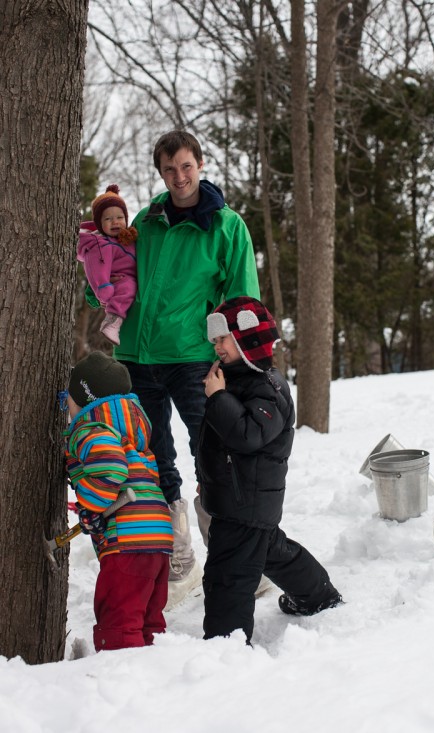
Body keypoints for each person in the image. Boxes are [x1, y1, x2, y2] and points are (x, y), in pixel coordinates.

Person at [109, 130, 260, 608]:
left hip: (194, 356)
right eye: (169, 169)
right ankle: (179, 558)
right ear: (160, 172)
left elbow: (243, 300)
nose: (179, 177)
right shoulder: (145, 221)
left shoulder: (226, 225)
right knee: (152, 458)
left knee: (212, 452)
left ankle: (233, 556)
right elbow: (119, 273)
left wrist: (235, 359)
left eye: (186, 166)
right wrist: (99, 283)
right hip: (137, 355)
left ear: (200, 164)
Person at [197, 297, 343, 643]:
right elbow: (218, 444)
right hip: (239, 498)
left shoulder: (266, 388)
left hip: (244, 504)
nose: (216, 346)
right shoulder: (237, 380)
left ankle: (225, 643)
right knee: (270, 552)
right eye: (215, 340)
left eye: (223, 339)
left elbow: (248, 436)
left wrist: (218, 398)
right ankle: (317, 595)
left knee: (227, 576)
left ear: (248, 338)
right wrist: (208, 480)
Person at [63, 351, 173, 651]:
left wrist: (90, 502)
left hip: (128, 545)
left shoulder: (92, 429)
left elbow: (110, 472)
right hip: (158, 540)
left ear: (84, 399)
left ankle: (119, 680)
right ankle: (155, 674)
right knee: (148, 622)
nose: (66, 407)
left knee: (119, 624)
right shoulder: (133, 436)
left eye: (67, 399)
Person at [78, 184, 138, 346]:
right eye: (108, 219)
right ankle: (112, 321)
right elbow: (97, 268)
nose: (115, 222)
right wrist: (103, 287)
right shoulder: (102, 244)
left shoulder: (130, 240)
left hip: (132, 284)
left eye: (119, 217)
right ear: (99, 223)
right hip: (120, 284)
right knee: (129, 286)